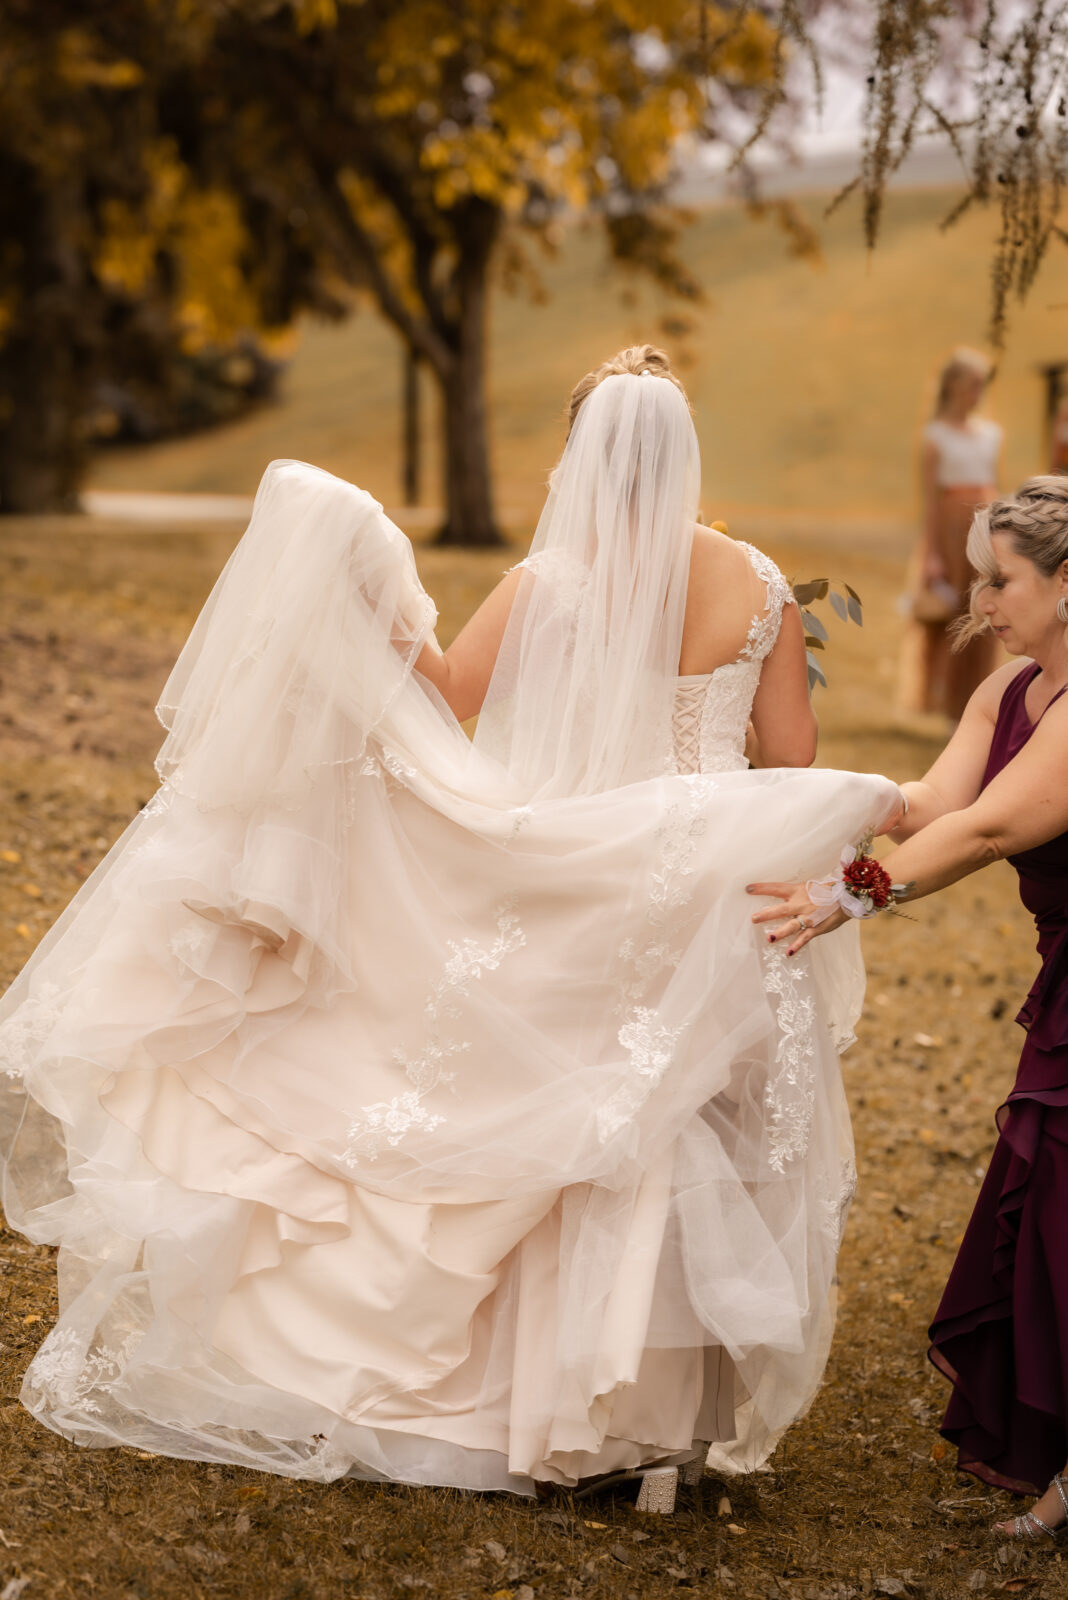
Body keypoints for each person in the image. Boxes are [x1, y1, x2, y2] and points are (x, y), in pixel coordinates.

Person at [0, 346, 896, 1508]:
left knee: (560, 1126)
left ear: (582, 458)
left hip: (576, 870)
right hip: (707, 877)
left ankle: (552, 1410)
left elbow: (450, 696)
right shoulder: (761, 584)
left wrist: (371, 592)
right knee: (674, 1129)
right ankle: (660, 1425)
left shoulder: (550, 584)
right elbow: (795, 756)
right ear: (683, 456)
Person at [749, 476, 1068, 1541]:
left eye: (1002, 580)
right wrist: (791, 795)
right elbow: (934, 804)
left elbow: (989, 832)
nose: (979, 599)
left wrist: (848, 894)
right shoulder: (1011, 688)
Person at [901, 347, 1002, 723]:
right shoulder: (935, 436)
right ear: (955, 386)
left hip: (986, 525)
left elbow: (992, 483)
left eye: (982, 385)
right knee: (955, 612)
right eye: (972, 384)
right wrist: (931, 553)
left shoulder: (991, 434)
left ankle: (979, 692)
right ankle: (950, 702)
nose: (978, 392)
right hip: (950, 530)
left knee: (987, 606)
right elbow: (929, 500)